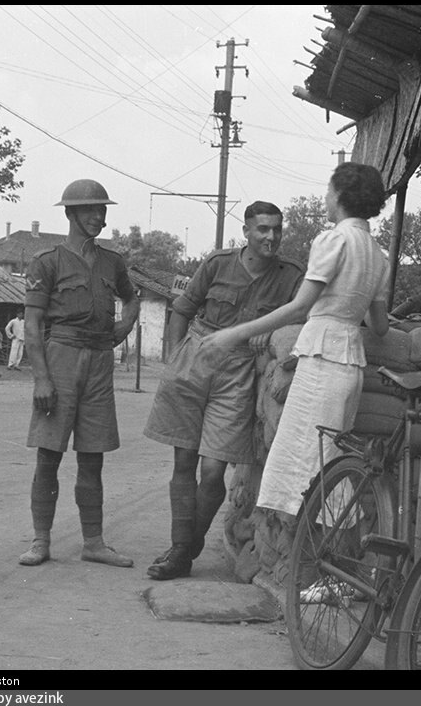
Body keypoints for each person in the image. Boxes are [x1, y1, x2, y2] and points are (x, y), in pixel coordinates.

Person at [202, 162, 390, 521]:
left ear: (341, 197)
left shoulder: (333, 239)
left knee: (311, 463)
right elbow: (379, 326)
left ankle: (322, 561)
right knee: (329, 458)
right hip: (351, 363)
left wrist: (235, 333)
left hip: (322, 358)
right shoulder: (377, 254)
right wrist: (352, 301)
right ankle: (326, 558)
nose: (326, 197)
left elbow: (300, 306)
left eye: (329, 190)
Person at [142, 201, 305, 580]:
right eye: (263, 229)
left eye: (277, 229)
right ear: (246, 231)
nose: (271, 237)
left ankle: (186, 546)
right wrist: (175, 359)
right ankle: (181, 551)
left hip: (239, 370)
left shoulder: (291, 275)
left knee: (213, 470)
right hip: (195, 358)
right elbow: (182, 309)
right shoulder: (217, 263)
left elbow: (301, 313)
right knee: (183, 462)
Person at [18, 179, 141, 568]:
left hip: (100, 361)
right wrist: (41, 378)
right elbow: (33, 324)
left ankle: (94, 542)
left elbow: (132, 297)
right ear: (69, 213)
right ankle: (40, 541)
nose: (97, 216)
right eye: (89, 209)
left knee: (93, 457)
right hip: (61, 356)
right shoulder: (47, 261)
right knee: (48, 455)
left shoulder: (113, 262)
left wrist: (125, 327)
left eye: (102, 209)